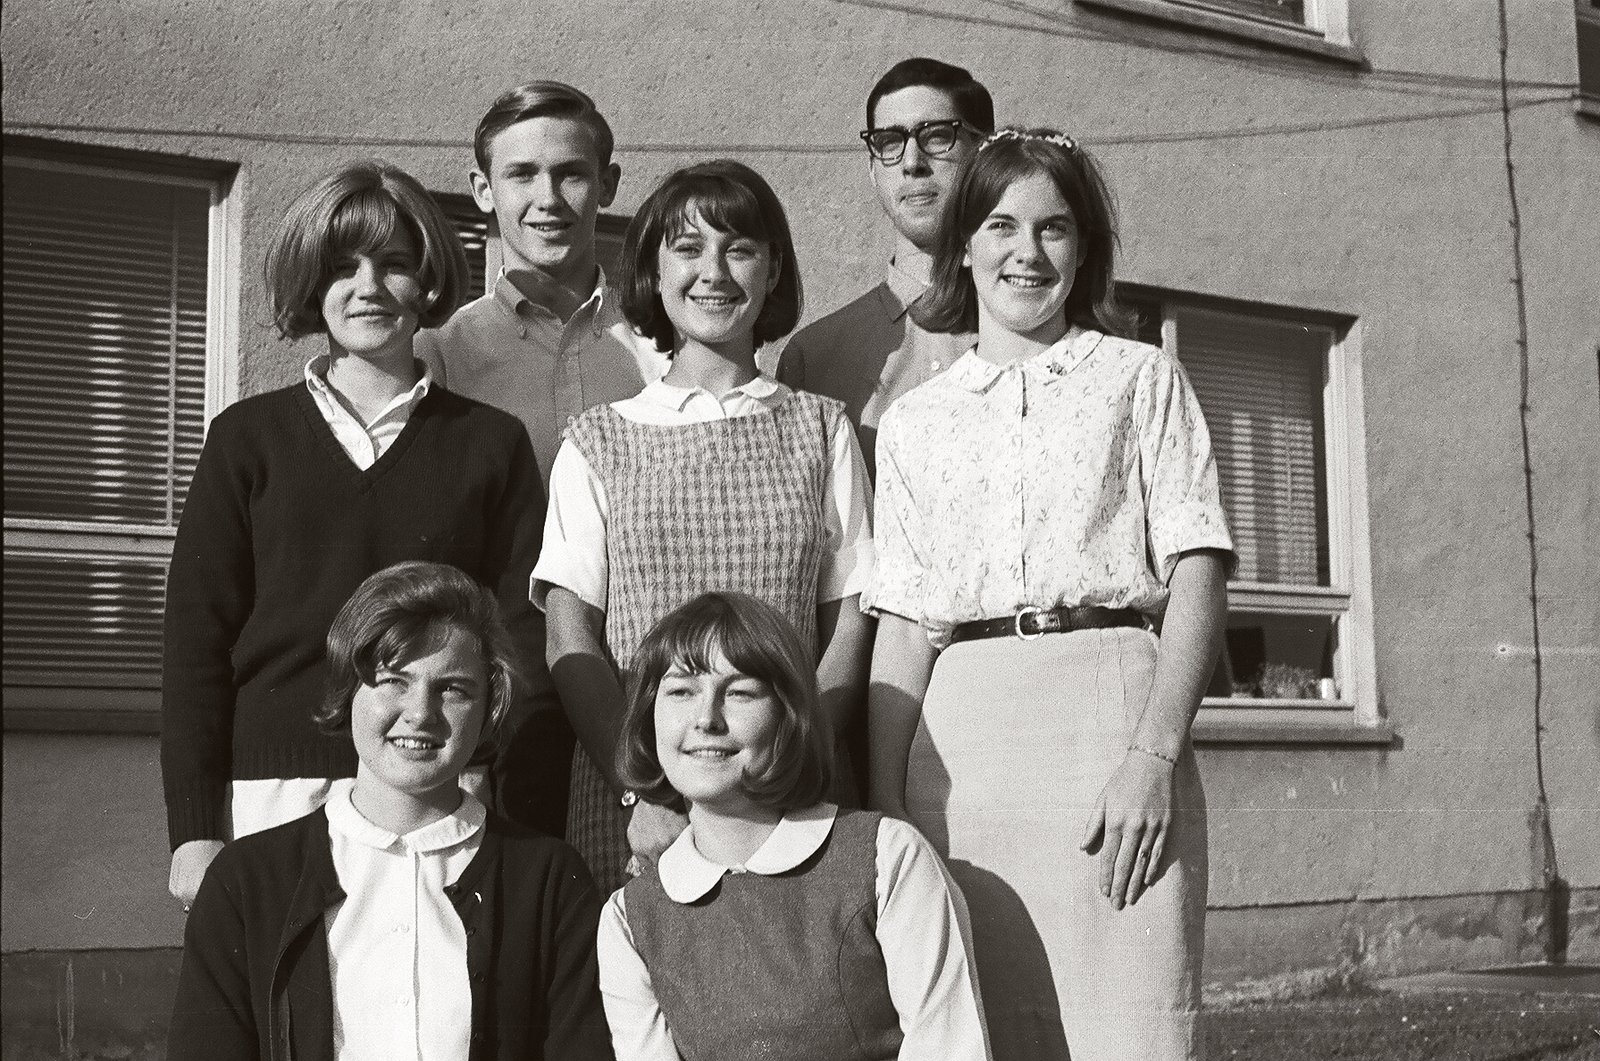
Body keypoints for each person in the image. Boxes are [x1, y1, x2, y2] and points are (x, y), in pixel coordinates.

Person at [864, 128, 1236, 1061]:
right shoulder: (914, 421)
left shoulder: (1141, 378)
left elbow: (1197, 571)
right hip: (963, 757)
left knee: (1132, 1024)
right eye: (1000, 225)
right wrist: (884, 803)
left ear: (1084, 248)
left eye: (1053, 228)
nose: (1026, 252)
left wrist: (1153, 755)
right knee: (978, 1027)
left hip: (1112, 730)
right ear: (963, 246)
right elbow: (904, 622)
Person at [161, 162, 546, 909]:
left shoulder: (491, 445)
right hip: (272, 794)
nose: (369, 286)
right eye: (343, 266)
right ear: (313, 282)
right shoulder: (246, 439)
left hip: (440, 786)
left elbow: (521, 644)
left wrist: (503, 792)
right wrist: (194, 829)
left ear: (427, 280)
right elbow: (195, 644)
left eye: (394, 263)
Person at [534, 160, 875, 893]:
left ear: (772, 269)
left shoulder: (821, 430)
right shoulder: (596, 440)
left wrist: (793, 762)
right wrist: (640, 790)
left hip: (790, 794)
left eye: (739, 249)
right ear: (653, 272)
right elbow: (569, 637)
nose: (713, 272)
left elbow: (850, 623)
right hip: (640, 809)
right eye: (688, 249)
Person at [168, 562, 613, 1061]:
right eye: (394, 681)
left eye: (453, 689)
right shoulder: (245, 881)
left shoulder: (549, 882)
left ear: (489, 707)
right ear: (349, 692)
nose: (420, 713)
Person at [415, 81, 670, 834]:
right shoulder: (443, 354)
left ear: (609, 185)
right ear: (482, 191)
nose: (548, 198)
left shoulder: (661, 350)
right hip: (502, 710)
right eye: (522, 174)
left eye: (571, 173)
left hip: (640, 685)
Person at [596, 591, 989, 1061]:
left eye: (740, 692)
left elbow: (948, 1046)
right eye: (681, 691)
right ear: (649, 717)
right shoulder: (629, 920)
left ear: (788, 715)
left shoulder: (886, 857)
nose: (706, 718)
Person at [776, 57, 993, 475]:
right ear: (873, 170)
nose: (912, 162)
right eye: (890, 142)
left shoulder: (1045, 331)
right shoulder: (813, 361)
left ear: (984, 154)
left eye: (937, 136)